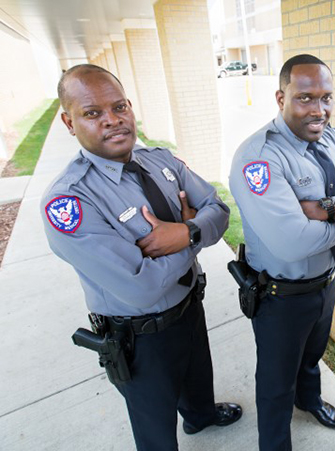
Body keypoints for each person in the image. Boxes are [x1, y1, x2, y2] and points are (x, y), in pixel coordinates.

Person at [41, 64, 242, 451]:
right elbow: (142, 286)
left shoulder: (160, 161)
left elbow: (218, 210)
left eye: (119, 107)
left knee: (198, 377)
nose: (113, 121)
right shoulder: (70, 202)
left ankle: (200, 417)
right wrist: (194, 237)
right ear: (69, 123)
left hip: (189, 305)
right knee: (155, 430)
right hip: (139, 336)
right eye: (93, 113)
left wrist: (186, 232)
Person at [229, 54, 335, 450]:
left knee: (312, 357)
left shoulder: (334, 138)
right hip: (280, 294)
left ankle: (310, 399)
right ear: (281, 97)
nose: (319, 109)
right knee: (276, 380)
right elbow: (292, 242)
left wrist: (328, 208)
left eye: (327, 97)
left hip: (325, 280)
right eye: (305, 98)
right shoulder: (260, 157)